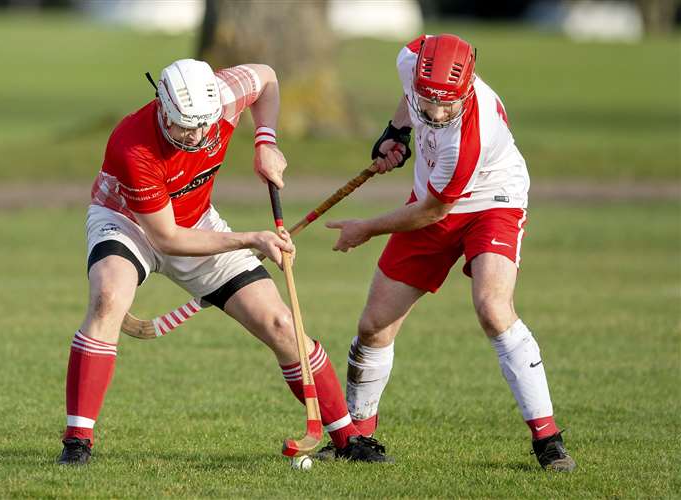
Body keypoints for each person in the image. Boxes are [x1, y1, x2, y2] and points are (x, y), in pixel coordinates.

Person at [58, 59, 390, 465]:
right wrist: (251, 239)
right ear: (162, 106)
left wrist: (265, 141)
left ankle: (346, 440)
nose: (197, 136)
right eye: (185, 126)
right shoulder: (133, 145)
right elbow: (167, 238)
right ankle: (78, 441)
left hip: (196, 220)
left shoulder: (225, 95)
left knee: (282, 324)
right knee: (108, 299)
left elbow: (267, 77)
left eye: (204, 125)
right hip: (127, 222)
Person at [322, 34, 576, 471]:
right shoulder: (410, 62)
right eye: (427, 102)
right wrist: (397, 131)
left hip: (492, 201)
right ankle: (357, 440)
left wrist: (365, 228)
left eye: (447, 106)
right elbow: (410, 98)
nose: (436, 114)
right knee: (373, 327)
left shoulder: (471, 136)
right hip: (430, 197)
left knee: (492, 308)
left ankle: (548, 440)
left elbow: (433, 212)